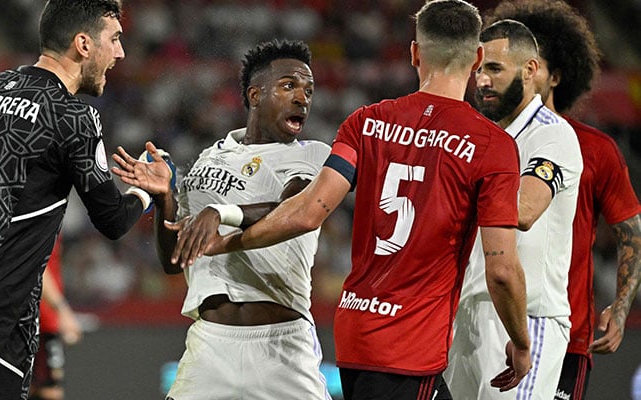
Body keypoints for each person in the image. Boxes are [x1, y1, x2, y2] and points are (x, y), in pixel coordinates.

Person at [157, 1, 534, 399]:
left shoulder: (365, 122)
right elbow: (502, 269)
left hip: (355, 329)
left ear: (415, 54)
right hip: (410, 339)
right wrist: (522, 342)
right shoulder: (492, 145)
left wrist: (228, 238)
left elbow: (306, 212)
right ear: (477, 58)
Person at [0, 1, 151, 398]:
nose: (121, 53)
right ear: (83, 44)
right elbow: (113, 220)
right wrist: (149, 192)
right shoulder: (71, 116)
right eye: (115, 40)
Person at [112, 39, 333, 399]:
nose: (302, 98)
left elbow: (292, 208)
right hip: (211, 346)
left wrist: (221, 213)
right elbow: (173, 260)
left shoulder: (312, 156)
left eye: (308, 90)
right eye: (289, 85)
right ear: (255, 95)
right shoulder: (207, 160)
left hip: (283, 347)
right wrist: (165, 196)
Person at [483, 2, 641, 399]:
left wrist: (619, 308)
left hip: (562, 330)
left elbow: (631, 230)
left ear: (552, 75)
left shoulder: (596, 149)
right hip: (489, 316)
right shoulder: (486, 140)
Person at [444, 19, 584, 399]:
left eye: (494, 69)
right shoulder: (485, 135)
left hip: (526, 317)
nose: (482, 81)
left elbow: (524, 209)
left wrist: (451, 190)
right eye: (478, 70)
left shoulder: (551, 134)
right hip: (470, 314)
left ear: (530, 69)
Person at [29, 235, 82, 400]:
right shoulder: (42, 216)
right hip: (39, 319)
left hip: (42, 318)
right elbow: (36, 266)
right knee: (50, 391)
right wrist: (62, 311)